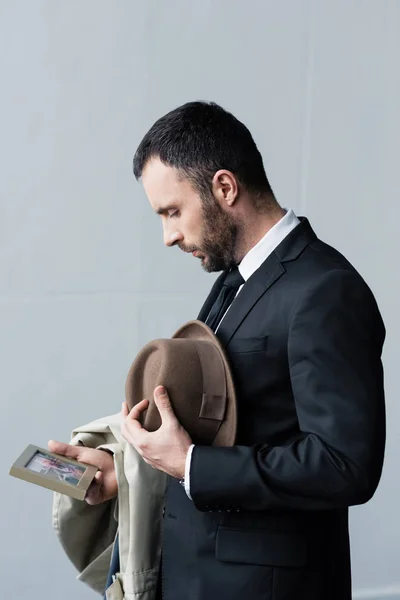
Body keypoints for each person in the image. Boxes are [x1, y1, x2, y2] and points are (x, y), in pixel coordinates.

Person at [51, 101, 386, 600]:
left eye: (172, 211)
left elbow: (344, 465)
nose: (168, 236)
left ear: (225, 188)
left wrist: (191, 466)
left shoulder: (325, 290)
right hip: (193, 578)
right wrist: (127, 467)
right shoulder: (236, 279)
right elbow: (229, 429)